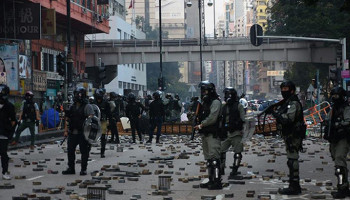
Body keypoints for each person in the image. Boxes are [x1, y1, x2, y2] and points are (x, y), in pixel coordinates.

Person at [270, 81, 305, 195]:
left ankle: (294, 186)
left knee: (292, 159)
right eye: (282, 88)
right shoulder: (287, 102)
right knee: (291, 159)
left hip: (294, 134)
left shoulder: (293, 103)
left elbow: (288, 119)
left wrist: (276, 114)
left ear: (292, 90)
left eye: (286, 89)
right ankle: (293, 185)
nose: (284, 91)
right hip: (289, 134)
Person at [195, 81, 222, 190]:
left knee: (214, 158)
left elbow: (212, 118)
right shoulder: (204, 103)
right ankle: (211, 180)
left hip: (213, 133)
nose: (203, 93)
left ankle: (217, 181)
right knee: (209, 159)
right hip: (205, 133)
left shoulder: (215, 102)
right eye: (202, 91)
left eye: (205, 91)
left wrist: (201, 125)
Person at [323, 86, 350, 198]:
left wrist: (338, 125)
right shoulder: (333, 108)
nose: (335, 97)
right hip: (334, 138)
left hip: (342, 138)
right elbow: (327, 120)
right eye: (333, 95)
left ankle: (343, 188)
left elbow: (348, 122)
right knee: (336, 160)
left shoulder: (346, 108)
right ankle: (343, 186)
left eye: (337, 95)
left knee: (339, 160)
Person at [62, 87, 94, 176]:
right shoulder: (72, 106)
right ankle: (71, 168)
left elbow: (91, 120)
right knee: (70, 150)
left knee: (84, 151)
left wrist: (90, 134)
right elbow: (67, 119)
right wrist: (65, 130)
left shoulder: (87, 106)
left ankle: (83, 169)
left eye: (78, 94)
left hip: (83, 133)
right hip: (73, 131)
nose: (76, 96)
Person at [220, 87, 245, 179]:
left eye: (228, 95)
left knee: (238, 152)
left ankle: (234, 170)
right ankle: (221, 168)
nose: (227, 97)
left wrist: (242, 130)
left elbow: (243, 119)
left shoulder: (239, 106)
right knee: (221, 151)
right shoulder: (224, 107)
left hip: (236, 133)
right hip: (226, 133)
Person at [0, 84, 16, 180]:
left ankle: (5, 171)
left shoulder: (9, 106)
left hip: (4, 134)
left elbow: (13, 121)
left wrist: (7, 129)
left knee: (3, 153)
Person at [94, 89, 111, 158]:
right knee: (91, 136)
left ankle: (102, 152)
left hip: (103, 121)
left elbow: (108, 112)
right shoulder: (94, 103)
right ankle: (87, 151)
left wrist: (109, 121)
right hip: (95, 121)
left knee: (103, 137)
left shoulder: (106, 102)